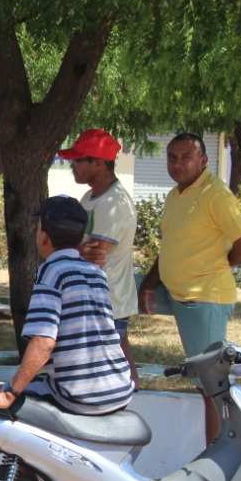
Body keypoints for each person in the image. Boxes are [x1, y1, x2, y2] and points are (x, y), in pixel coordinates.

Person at [137, 132, 241, 443]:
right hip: (174, 292)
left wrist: (213, 266)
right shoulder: (175, 194)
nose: (177, 164)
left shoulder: (215, 195)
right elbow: (170, 247)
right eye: (172, 157)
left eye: (186, 157)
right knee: (116, 288)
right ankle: (119, 371)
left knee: (211, 386)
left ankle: (220, 455)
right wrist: (148, 285)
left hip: (204, 299)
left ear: (203, 160)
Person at [0, 196, 134, 417]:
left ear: (44, 236)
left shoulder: (52, 271)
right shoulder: (97, 273)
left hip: (82, 396)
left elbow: (44, 341)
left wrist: (8, 394)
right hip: (120, 389)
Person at [59, 128, 139, 383]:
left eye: (78, 160)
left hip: (109, 299)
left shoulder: (115, 202)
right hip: (97, 296)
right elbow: (81, 249)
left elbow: (95, 253)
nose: (72, 166)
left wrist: (64, 251)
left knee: (109, 369)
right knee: (119, 361)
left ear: (99, 163)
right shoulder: (90, 197)